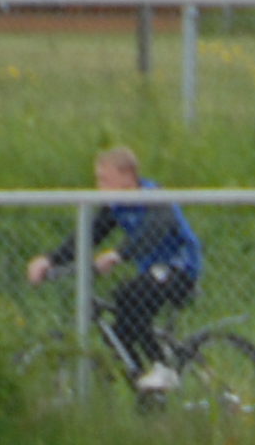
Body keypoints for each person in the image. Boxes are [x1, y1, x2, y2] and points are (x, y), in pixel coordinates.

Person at [25, 146, 203, 394]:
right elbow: (89, 235)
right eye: (98, 180)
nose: (100, 187)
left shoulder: (153, 196)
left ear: (127, 176)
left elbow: (155, 228)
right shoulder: (116, 206)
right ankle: (148, 393)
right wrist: (50, 260)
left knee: (129, 294)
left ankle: (163, 367)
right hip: (153, 272)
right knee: (119, 333)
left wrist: (119, 254)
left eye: (105, 180)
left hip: (180, 268)